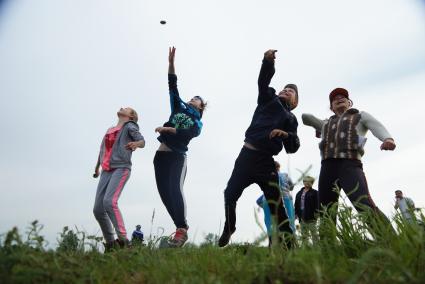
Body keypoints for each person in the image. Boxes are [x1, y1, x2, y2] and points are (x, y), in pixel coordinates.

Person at [219, 49, 300, 248]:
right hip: (246, 156)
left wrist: (286, 135)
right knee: (230, 193)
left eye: (291, 91)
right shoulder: (268, 99)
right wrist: (267, 62)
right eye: (284, 88)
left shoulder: (290, 119)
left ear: (295, 102)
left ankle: (290, 245)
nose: (285, 90)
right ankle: (230, 226)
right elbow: (263, 82)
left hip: (266, 163)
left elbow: (293, 146)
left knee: (277, 207)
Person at [302, 88, 396, 236]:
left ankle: (389, 238)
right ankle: (328, 247)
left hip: (350, 164)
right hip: (327, 167)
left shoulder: (360, 116)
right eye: (335, 99)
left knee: (362, 202)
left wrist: (387, 138)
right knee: (326, 209)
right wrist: (319, 127)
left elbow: (376, 125)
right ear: (331, 107)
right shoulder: (326, 123)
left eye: (343, 97)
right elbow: (305, 117)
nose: (339, 98)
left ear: (349, 102)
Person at [154, 47, 207, 248]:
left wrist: (168, 130)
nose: (193, 99)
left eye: (197, 99)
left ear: (201, 107)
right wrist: (171, 64)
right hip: (161, 157)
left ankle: (182, 229)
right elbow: (172, 86)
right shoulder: (178, 108)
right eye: (193, 97)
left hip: (178, 157)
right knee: (164, 193)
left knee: (175, 189)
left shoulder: (197, 121)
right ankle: (178, 231)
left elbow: (189, 134)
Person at [93, 107, 145, 251]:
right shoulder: (110, 129)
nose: (122, 107)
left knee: (109, 202)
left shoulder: (130, 126)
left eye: (126, 108)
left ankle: (123, 240)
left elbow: (142, 141)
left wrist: (136, 144)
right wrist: (97, 167)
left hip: (121, 167)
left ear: (131, 116)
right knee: (98, 209)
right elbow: (102, 149)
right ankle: (111, 244)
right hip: (106, 170)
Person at [256, 161, 295, 240]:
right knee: (289, 220)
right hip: (285, 198)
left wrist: (263, 205)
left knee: (270, 222)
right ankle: (290, 241)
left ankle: (273, 243)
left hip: (268, 200)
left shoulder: (265, 176)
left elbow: (259, 199)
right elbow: (292, 187)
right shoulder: (285, 175)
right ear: (278, 167)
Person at [294, 176, 319, 244]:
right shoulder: (299, 193)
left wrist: (316, 214)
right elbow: (296, 204)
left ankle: (317, 248)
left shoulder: (315, 192)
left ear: (312, 183)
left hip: (311, 216)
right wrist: (295, 214)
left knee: (314, 234)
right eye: (305, 181)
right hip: (301, 215)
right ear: (303, 182)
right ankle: (306, 249)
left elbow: (317, 204)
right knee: (304, 235)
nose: (307, 183)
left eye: (309, 182)